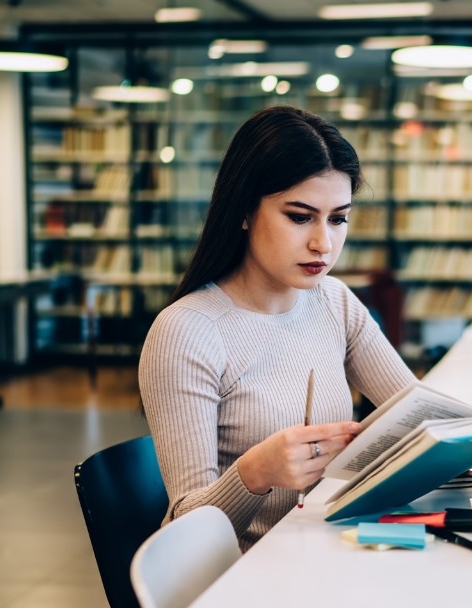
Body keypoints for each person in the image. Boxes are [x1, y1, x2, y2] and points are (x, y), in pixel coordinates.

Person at [139, 105, 417, 549]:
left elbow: (415, 416)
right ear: (244, 211)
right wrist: (256, 474)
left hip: (331, 549)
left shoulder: (334, 300)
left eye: (338, 219)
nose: (322, 243)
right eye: (300, 216)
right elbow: (184, 533)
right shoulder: (186, 331)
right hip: (251, 575)